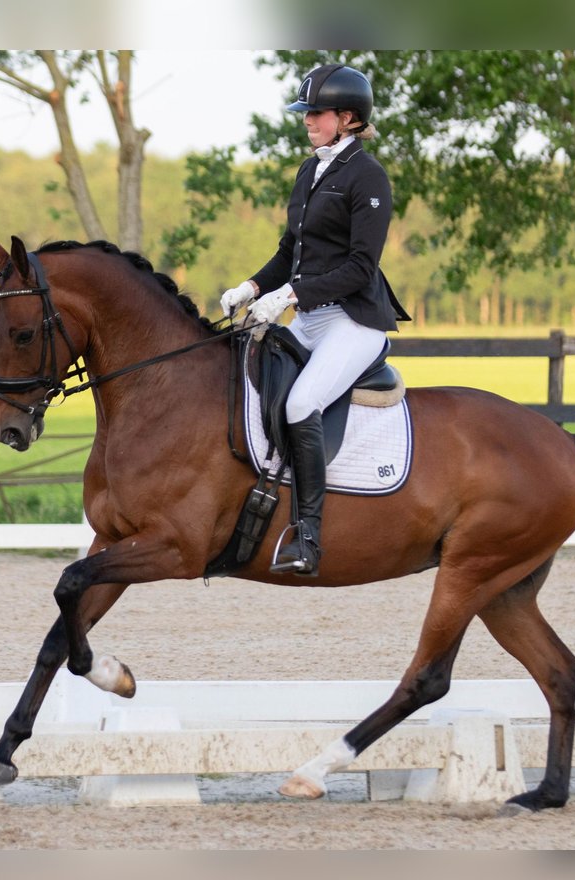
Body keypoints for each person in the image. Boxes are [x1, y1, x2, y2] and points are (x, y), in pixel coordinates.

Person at [219, 62, 411, 577]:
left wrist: (286, 296)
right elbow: (291, 250)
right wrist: (253, 287)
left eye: (316, 113)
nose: (307, 121)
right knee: (246, 368)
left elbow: (358, 267)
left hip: (354, 321)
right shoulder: (310, 170)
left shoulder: (368, 177)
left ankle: (307, 535)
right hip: (309, 316)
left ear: (347, 118)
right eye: (306, 112)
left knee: (303, 400)